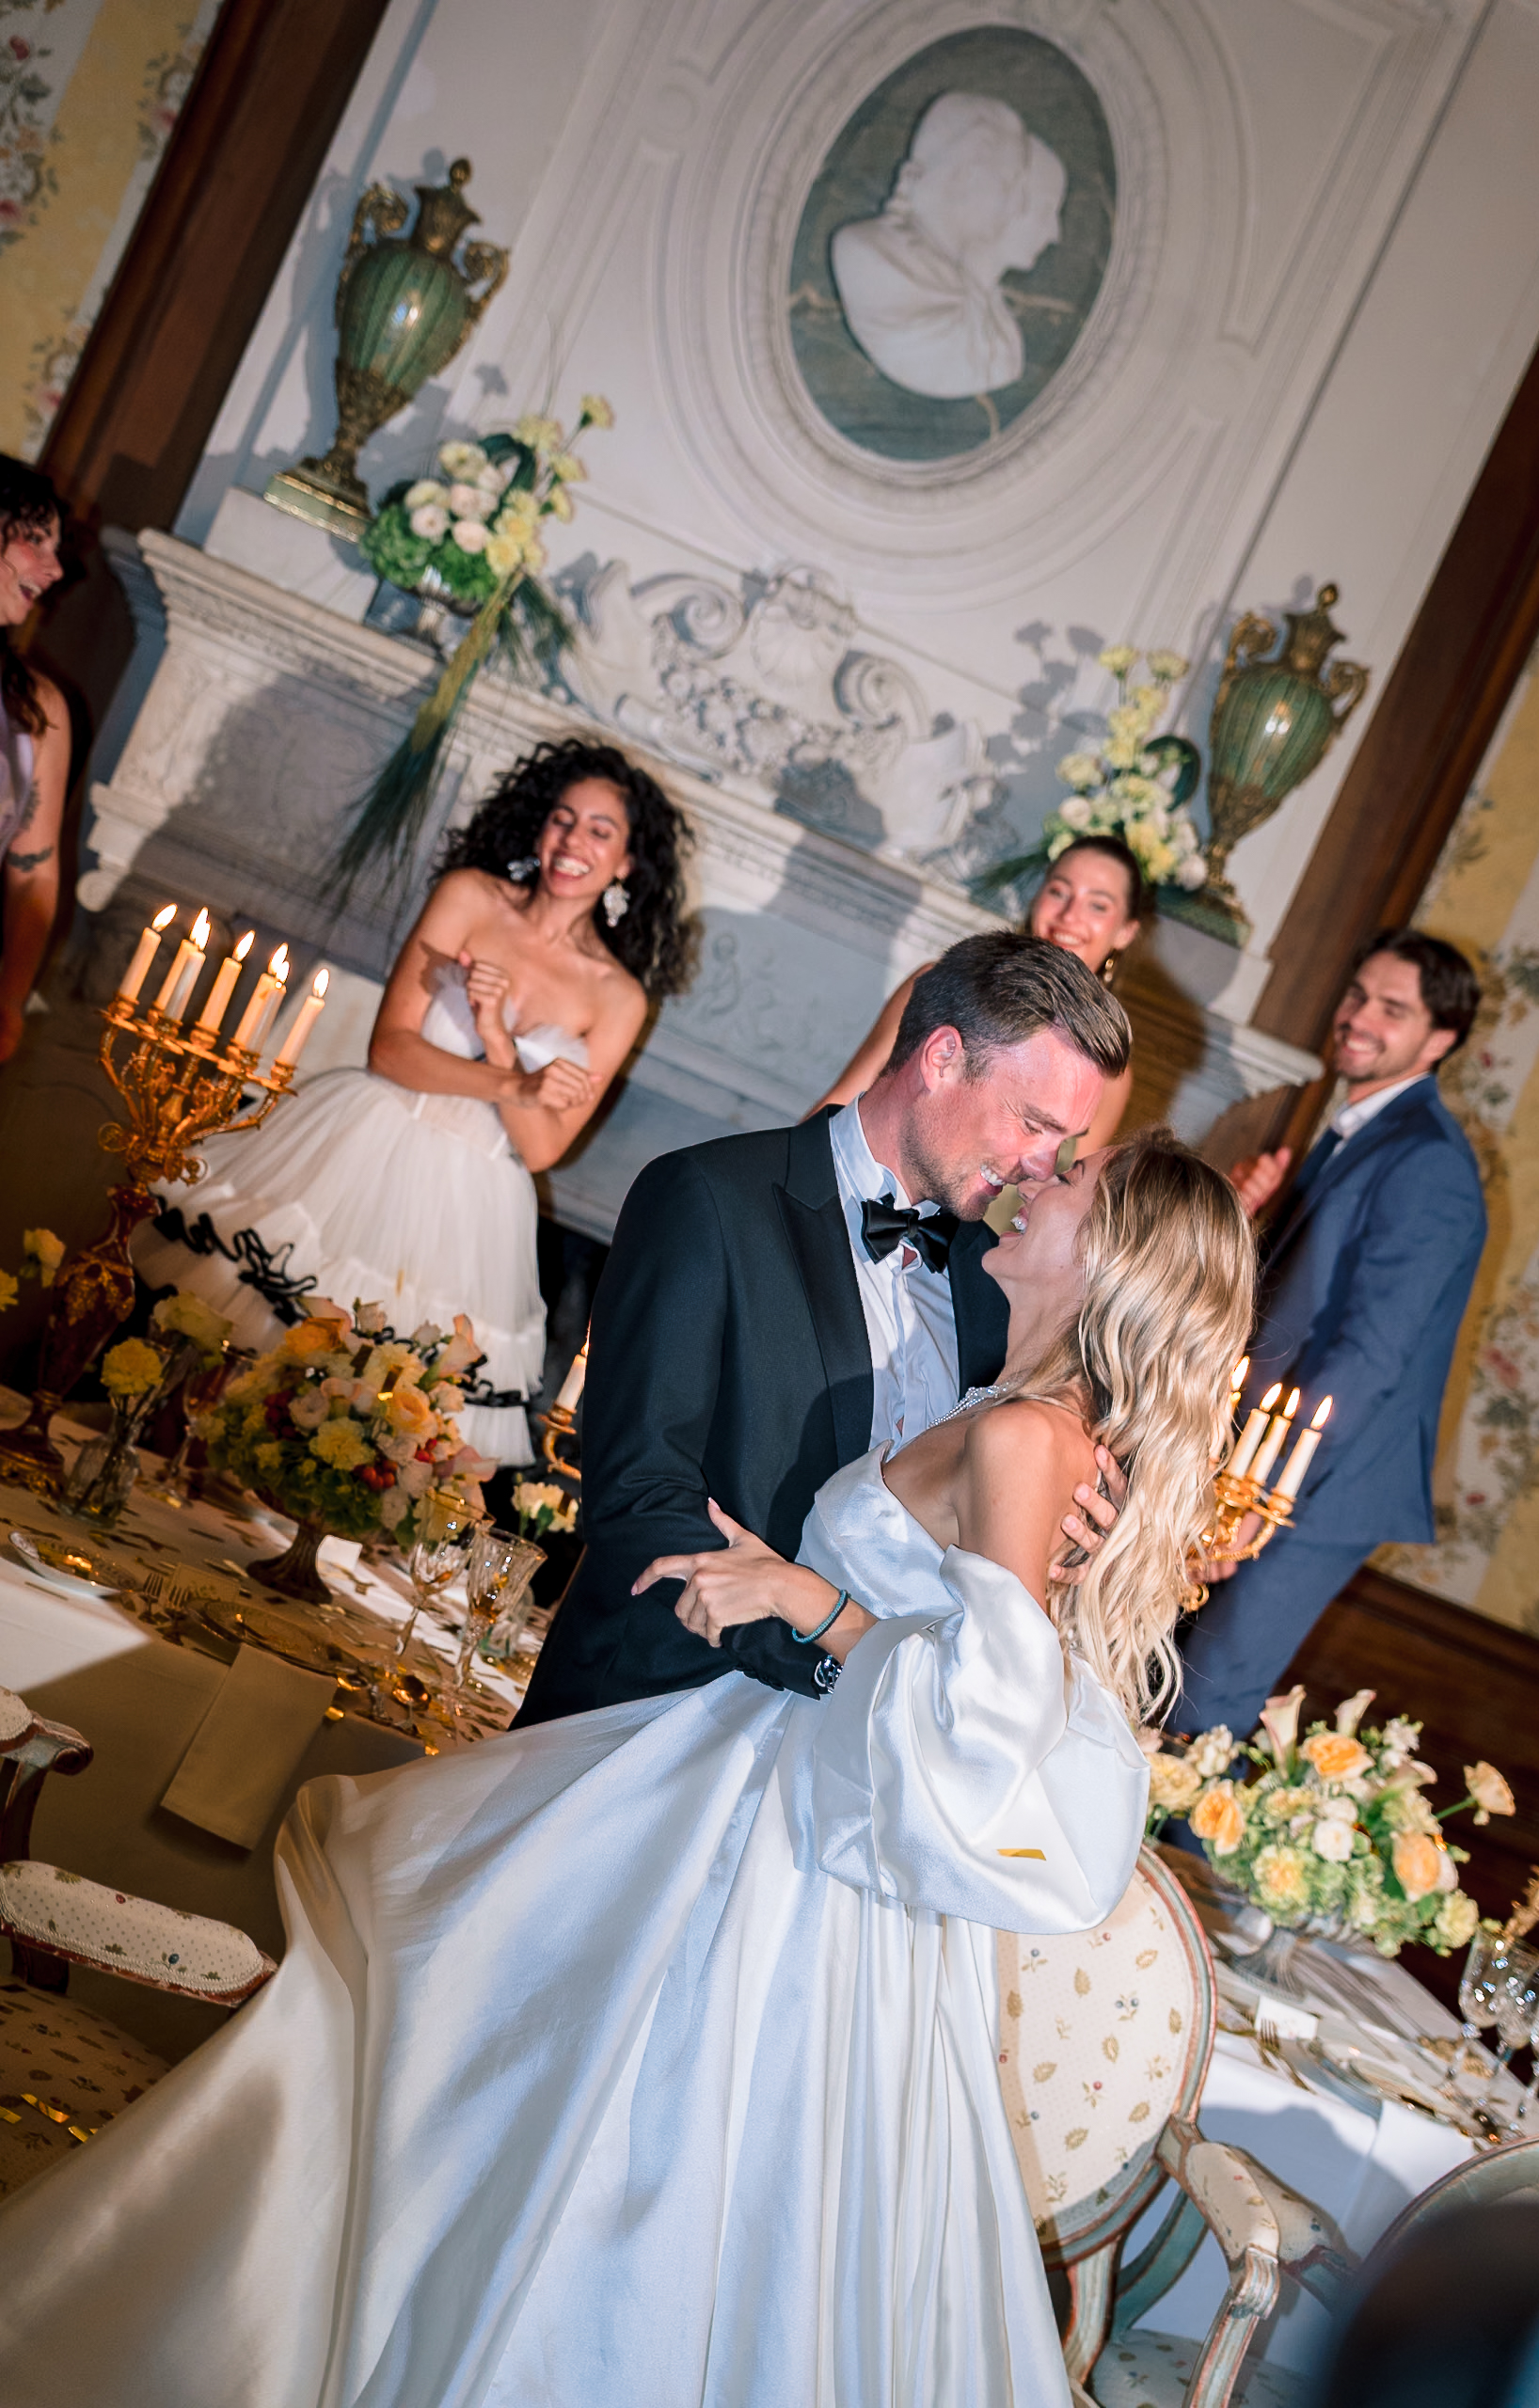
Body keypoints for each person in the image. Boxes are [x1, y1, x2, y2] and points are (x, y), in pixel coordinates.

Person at [0, 1130, 1256, 2408]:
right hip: (755, 1798)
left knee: (596, 2165)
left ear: (1111, 1256)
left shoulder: (1029, 1439)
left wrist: (806, 1600)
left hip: (786, 1876)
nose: (1035, 1178)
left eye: (1072, 1179)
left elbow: (984, 1725)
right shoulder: (1014, 1414)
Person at [518, 929, 1133, 1726]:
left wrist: (1072, 1532)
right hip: (651, 1714)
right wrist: (829, 1662)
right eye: (1031, 1123)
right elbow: (639, 1495)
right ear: (942, 1058)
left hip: (863, 1754)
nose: (1041, 1167)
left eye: (1063, 1143)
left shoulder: (999, 1282)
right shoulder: (708, 1199)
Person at [135, 736, 694, 1466]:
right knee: (234, 1349)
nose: (571, 842)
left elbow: (541, 1146)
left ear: (625, 862)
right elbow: (392, 1051)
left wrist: (494, 1035)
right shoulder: (469, 896)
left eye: (599, 830)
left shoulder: (617, 997)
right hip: (364, 1140)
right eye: (562, 819)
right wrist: (518, 1085)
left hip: (470, 1207)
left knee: (360, 1411)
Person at [1177, 928, 1486, 1738]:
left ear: (1440, 1038)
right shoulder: (1360, 1129)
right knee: (1164, 1671)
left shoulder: (1428, 1163)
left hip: (1317, 1487)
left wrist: (1260, 1490)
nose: (1357, 1018)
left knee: (1203, 1704)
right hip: (1257, 1456)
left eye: (1391, 1009)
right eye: (1356, 995)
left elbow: (1370, 1352)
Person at [811, 833, 1144, 1149]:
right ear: (1037, 899)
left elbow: (1072, 1186)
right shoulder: (943, 982)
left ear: (1125, 932)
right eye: (1058, 891)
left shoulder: (1109, 1070)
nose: (1070, 915)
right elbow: (841, 1101)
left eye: (1098, 905)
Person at [832, 91, 1067, 398]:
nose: (1013, 208)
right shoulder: (866, 254)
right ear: (967, 177)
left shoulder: (975, 283)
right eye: (1009, 185)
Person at [0, 456, 70, 1065]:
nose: (55, 568)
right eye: (35, 540)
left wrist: (9, 998)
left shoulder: (38, 711)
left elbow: (35, 877)